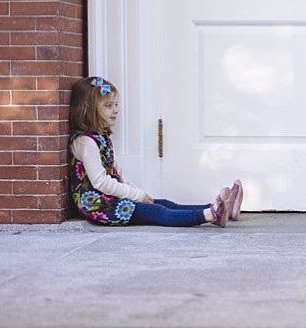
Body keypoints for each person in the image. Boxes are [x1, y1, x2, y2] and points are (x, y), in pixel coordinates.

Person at [68, 76, 243, 227]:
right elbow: (100, 182)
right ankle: (211, 215)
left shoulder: (101, 138)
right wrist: (137, 195)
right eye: (108, 106)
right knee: (158, 212)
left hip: (111, 199)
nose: (116, 110)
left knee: (163, 203)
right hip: (100, 206)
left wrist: (137, 193)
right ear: (89, 110)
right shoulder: (85, 142)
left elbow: (116, 173)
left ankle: (222, 209)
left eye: (116, 104)